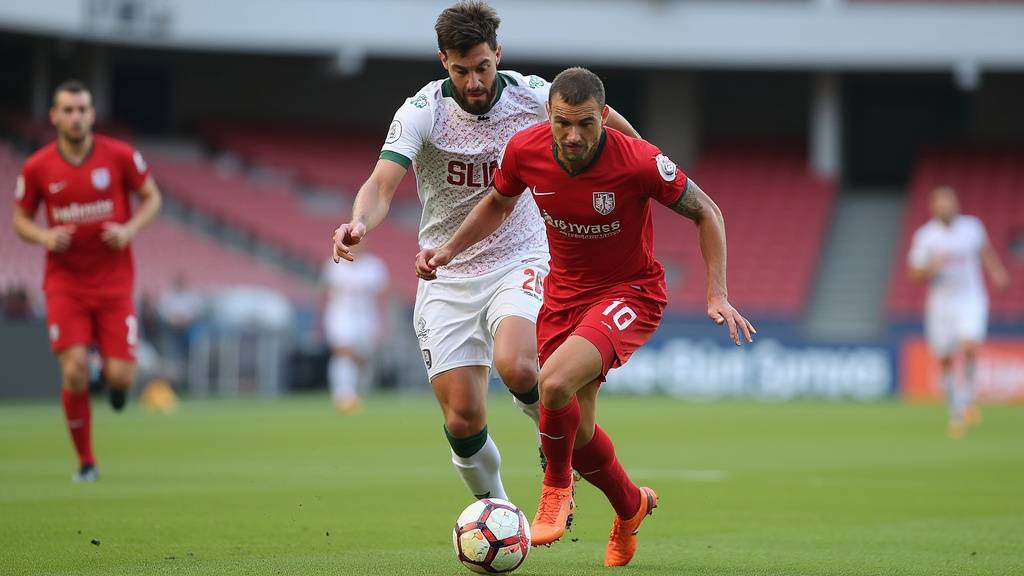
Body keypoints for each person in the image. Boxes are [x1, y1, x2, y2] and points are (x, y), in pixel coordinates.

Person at [417, 67, 755, 566]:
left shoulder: (638, 160)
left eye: (587, 124)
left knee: (549, 385)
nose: (573, 136)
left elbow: (708, 212)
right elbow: (498, 204)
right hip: (563, 297)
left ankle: (555, 490)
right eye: (563, 123)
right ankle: (631, 505)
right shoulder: (525, 150)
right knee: (578, 433)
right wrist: (449, 248)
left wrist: (717, 294)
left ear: (605, 118)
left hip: (629, 292)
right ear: (549, 115)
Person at [331, 1, 641, 502]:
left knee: (518, 365)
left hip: (522, 255)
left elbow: (622, 134)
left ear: (498, 55)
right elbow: (381, 184)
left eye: (482, 67)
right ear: (443, 62)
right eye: (461, 70)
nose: (474, 81)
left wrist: (645, 173)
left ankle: (556, 453)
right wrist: (358, 223)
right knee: (462, 418)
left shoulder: (535, 96)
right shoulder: (422, 111)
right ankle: (498, 512)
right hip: (445, 270)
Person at [12, 79, 163, 482]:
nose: (76, 117)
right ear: (55, 116)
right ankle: (86, 462)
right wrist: (44, 236)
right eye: (69, 110)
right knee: (75, 370)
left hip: (115, 285)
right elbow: (20, 218)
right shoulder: (38, 167)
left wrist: (129, 230)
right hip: (65, 285)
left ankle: (115, 389)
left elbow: (153, 198)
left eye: (83, 109)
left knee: (121, 376)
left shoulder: (120, 156)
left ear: (92, 114)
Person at [908, 186, 1009, 438]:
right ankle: (955, 409)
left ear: (956, 204)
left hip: (970, 298)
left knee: (970, 345)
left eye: (950, 203)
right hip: (941, 304)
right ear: (933, 208)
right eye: (941, 204)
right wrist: (932, 266)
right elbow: (914, 273)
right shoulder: (926, 237)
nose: (947, 208)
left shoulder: (972, 227)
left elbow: (985, 251)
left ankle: (967, 397)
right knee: (944, 358)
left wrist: (997, 272)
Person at [321, 242, 389, 413]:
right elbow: (324, 293)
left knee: (362, 357)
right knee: (344, 351)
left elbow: (382, 296)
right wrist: (320, 321)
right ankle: (343, 395)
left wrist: (382, 323)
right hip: (340, 314)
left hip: (366, 316)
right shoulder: (334, 264)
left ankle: (359, 391)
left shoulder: (375, 266)